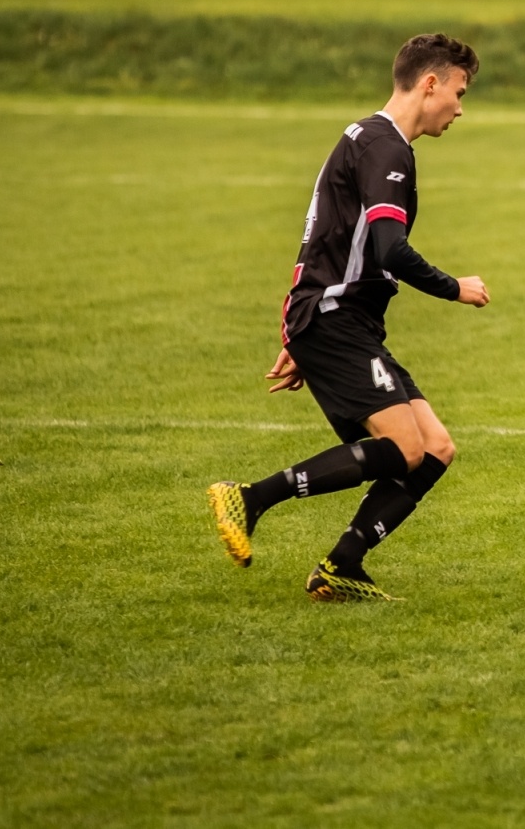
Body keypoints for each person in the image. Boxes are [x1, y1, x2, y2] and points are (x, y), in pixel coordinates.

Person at [206, 33, 491, 603]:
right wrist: (453, 287)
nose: (460, 108)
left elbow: (324, 238)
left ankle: (342, 566)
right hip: (336, 317)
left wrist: (300, 332)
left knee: (435, 448)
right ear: (429, 83)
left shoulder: (366, 137)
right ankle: (251, 496)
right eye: (458, 93)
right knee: (406, 448)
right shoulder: (386, 148)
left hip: (337, 320)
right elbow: (388, 249)